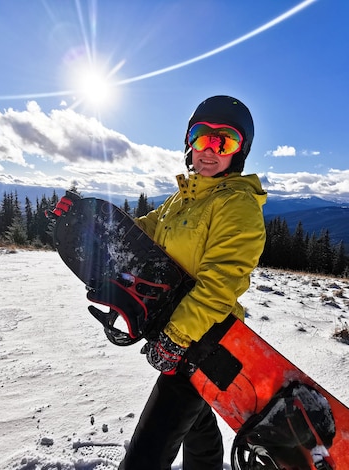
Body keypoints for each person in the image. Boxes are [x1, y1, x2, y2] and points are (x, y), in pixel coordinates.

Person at [119, 95, 268, 469]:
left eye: (224, 141)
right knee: (197, 420)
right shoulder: (182, 199)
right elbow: (142, 235)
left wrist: (177, 337)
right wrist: (95, 227)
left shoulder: (238, 205)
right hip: (174, 325)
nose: (210, 150)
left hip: (206, 338)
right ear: (189, 142)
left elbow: (221, 284)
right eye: (202, 136)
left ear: (239, 152)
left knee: (148, 452)